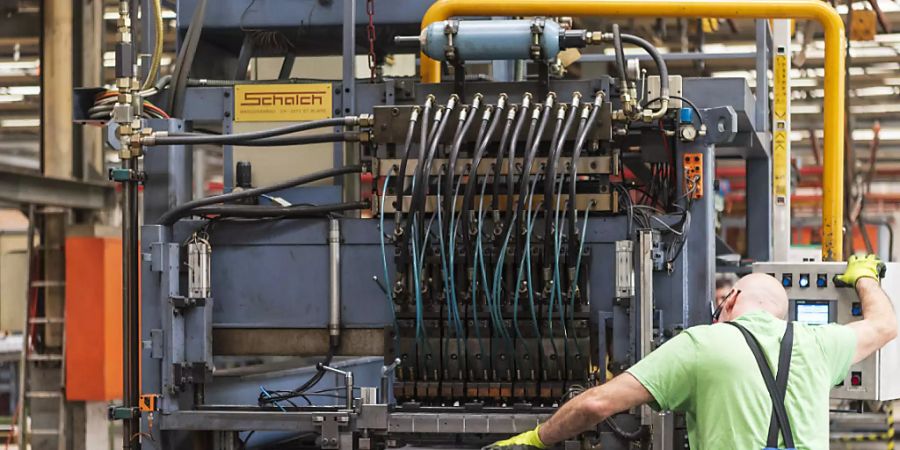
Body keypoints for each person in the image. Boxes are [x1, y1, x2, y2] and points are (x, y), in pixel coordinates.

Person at [491, 254, 897, 449]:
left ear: (733, 298)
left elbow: (597, 404)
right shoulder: (819, 343)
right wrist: (864, 278)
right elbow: (885, 324)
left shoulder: (702, 344)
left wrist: (537, 439)